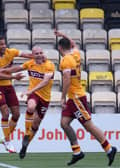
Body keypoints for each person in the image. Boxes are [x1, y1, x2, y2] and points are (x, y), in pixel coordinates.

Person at [54, 30, 117, 166]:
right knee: (64, 123)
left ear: (59, 48)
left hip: (76, 98)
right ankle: (77, 152)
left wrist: (62, 98)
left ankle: (109, 148)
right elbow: (74, 43)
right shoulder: (76, 54)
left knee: (88, 126)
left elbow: (66, 80)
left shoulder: (66, 60)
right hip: (74, 98)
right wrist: (63, 35)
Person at [1, 46, 55, 159]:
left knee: (36, 124)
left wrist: (30, 90)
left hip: (45, 98)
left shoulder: (49, 65)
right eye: (37, 53)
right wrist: (4, 70)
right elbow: (17, 68)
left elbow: (45, 82)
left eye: (41, 53)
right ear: (33, 55)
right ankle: (26, 133)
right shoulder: (30, 63)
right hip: (34, 94)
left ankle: (25, 147)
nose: (39, 55)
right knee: (30, 107)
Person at [0, 35, 34, 153]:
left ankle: (4, 137)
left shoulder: (10, 52)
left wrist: (38, 57)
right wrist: (14, 76)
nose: (4, 46)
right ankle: (7, 141)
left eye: (4, 44)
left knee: (17, 114)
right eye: (1, 44)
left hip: (8, 86)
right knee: (5, 112)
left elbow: (26, 55)